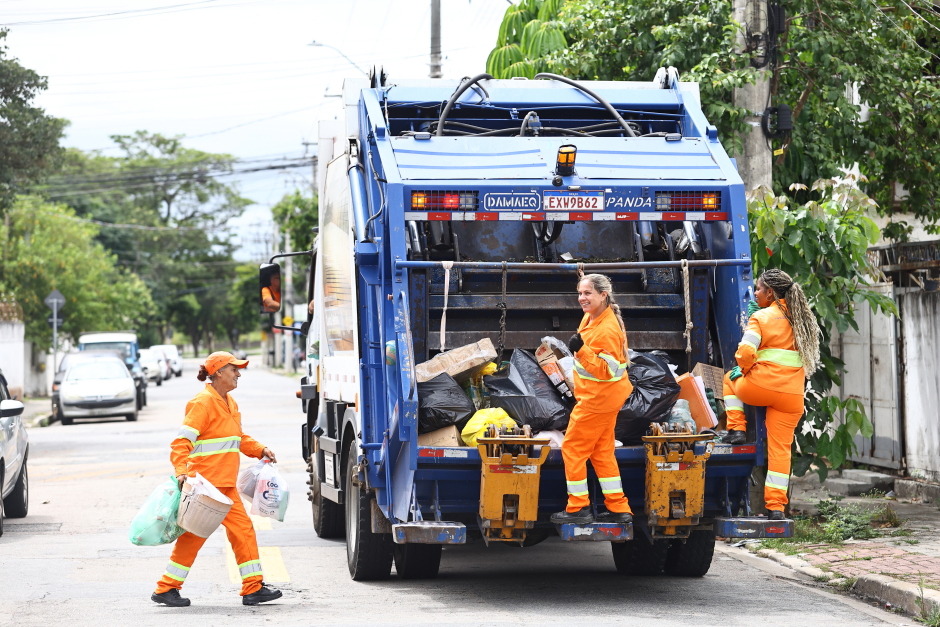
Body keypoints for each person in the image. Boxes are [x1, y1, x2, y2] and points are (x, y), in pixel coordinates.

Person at [151, 351, 283, 607]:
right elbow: (181, 443)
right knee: (198, 537)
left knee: (229, 533)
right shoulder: (202, 402)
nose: (239, 374)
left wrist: (259, 449)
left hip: (223, 486)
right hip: (206, 487)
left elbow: (237, 437)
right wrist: (181, 472)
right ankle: (168, 588)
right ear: (219, 372)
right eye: (234, 369)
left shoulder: (229, 402)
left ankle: (250, 588)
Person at [722, 269, 821, 520]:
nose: (755, 294)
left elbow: (745, 353)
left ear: (770, 292)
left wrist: (742, 370)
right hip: (791, 397)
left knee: (728, 379)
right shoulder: (803, 319)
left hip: (760, 389)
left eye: (758, 289)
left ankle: (736, 429)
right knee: (780, 451)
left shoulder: (761, 317)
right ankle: (776, 508)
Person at [551, 273, 635, 525]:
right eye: (579, 293)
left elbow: (607, 370)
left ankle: (578, 509)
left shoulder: (607, 329)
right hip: (604, 398)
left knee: (573, 449)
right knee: (602, 452)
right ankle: (619, 507)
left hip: (597, 400)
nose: (581, 298)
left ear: (603, 295)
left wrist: (581, 350)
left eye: (587, 293)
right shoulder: (593, 317)